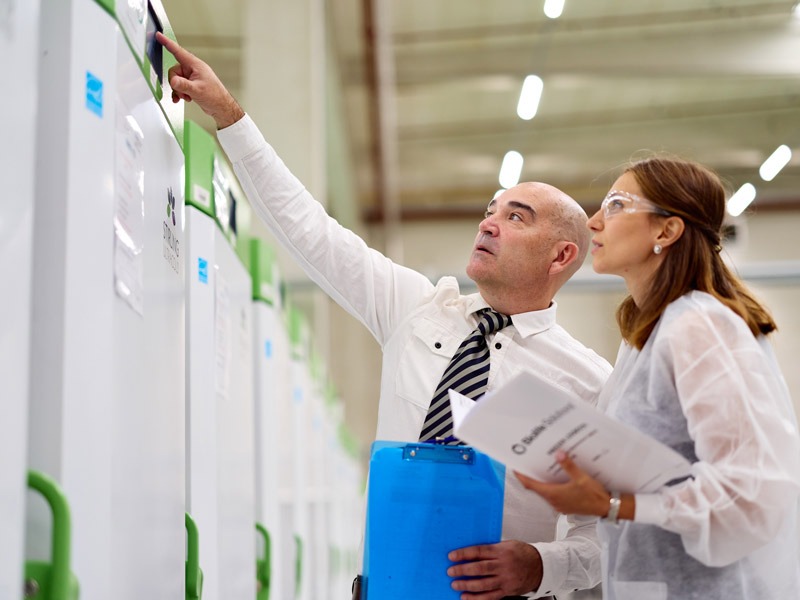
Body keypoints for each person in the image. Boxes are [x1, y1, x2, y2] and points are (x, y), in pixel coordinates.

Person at [156, 32, 612, 599]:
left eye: (517, 218)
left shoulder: (589, 383)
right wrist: (229, 116)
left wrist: (541, 565)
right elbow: (309, 230)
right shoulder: (417, 311)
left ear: (562, 256)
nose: (488, 224)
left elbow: (605, 541)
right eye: (490, 211)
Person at [516, 156, 800, 599]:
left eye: (615, 205)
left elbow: (752, 494)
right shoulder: (647, 335)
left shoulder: (700, 325)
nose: (593, 222)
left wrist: (610, 504)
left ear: (667, 231)